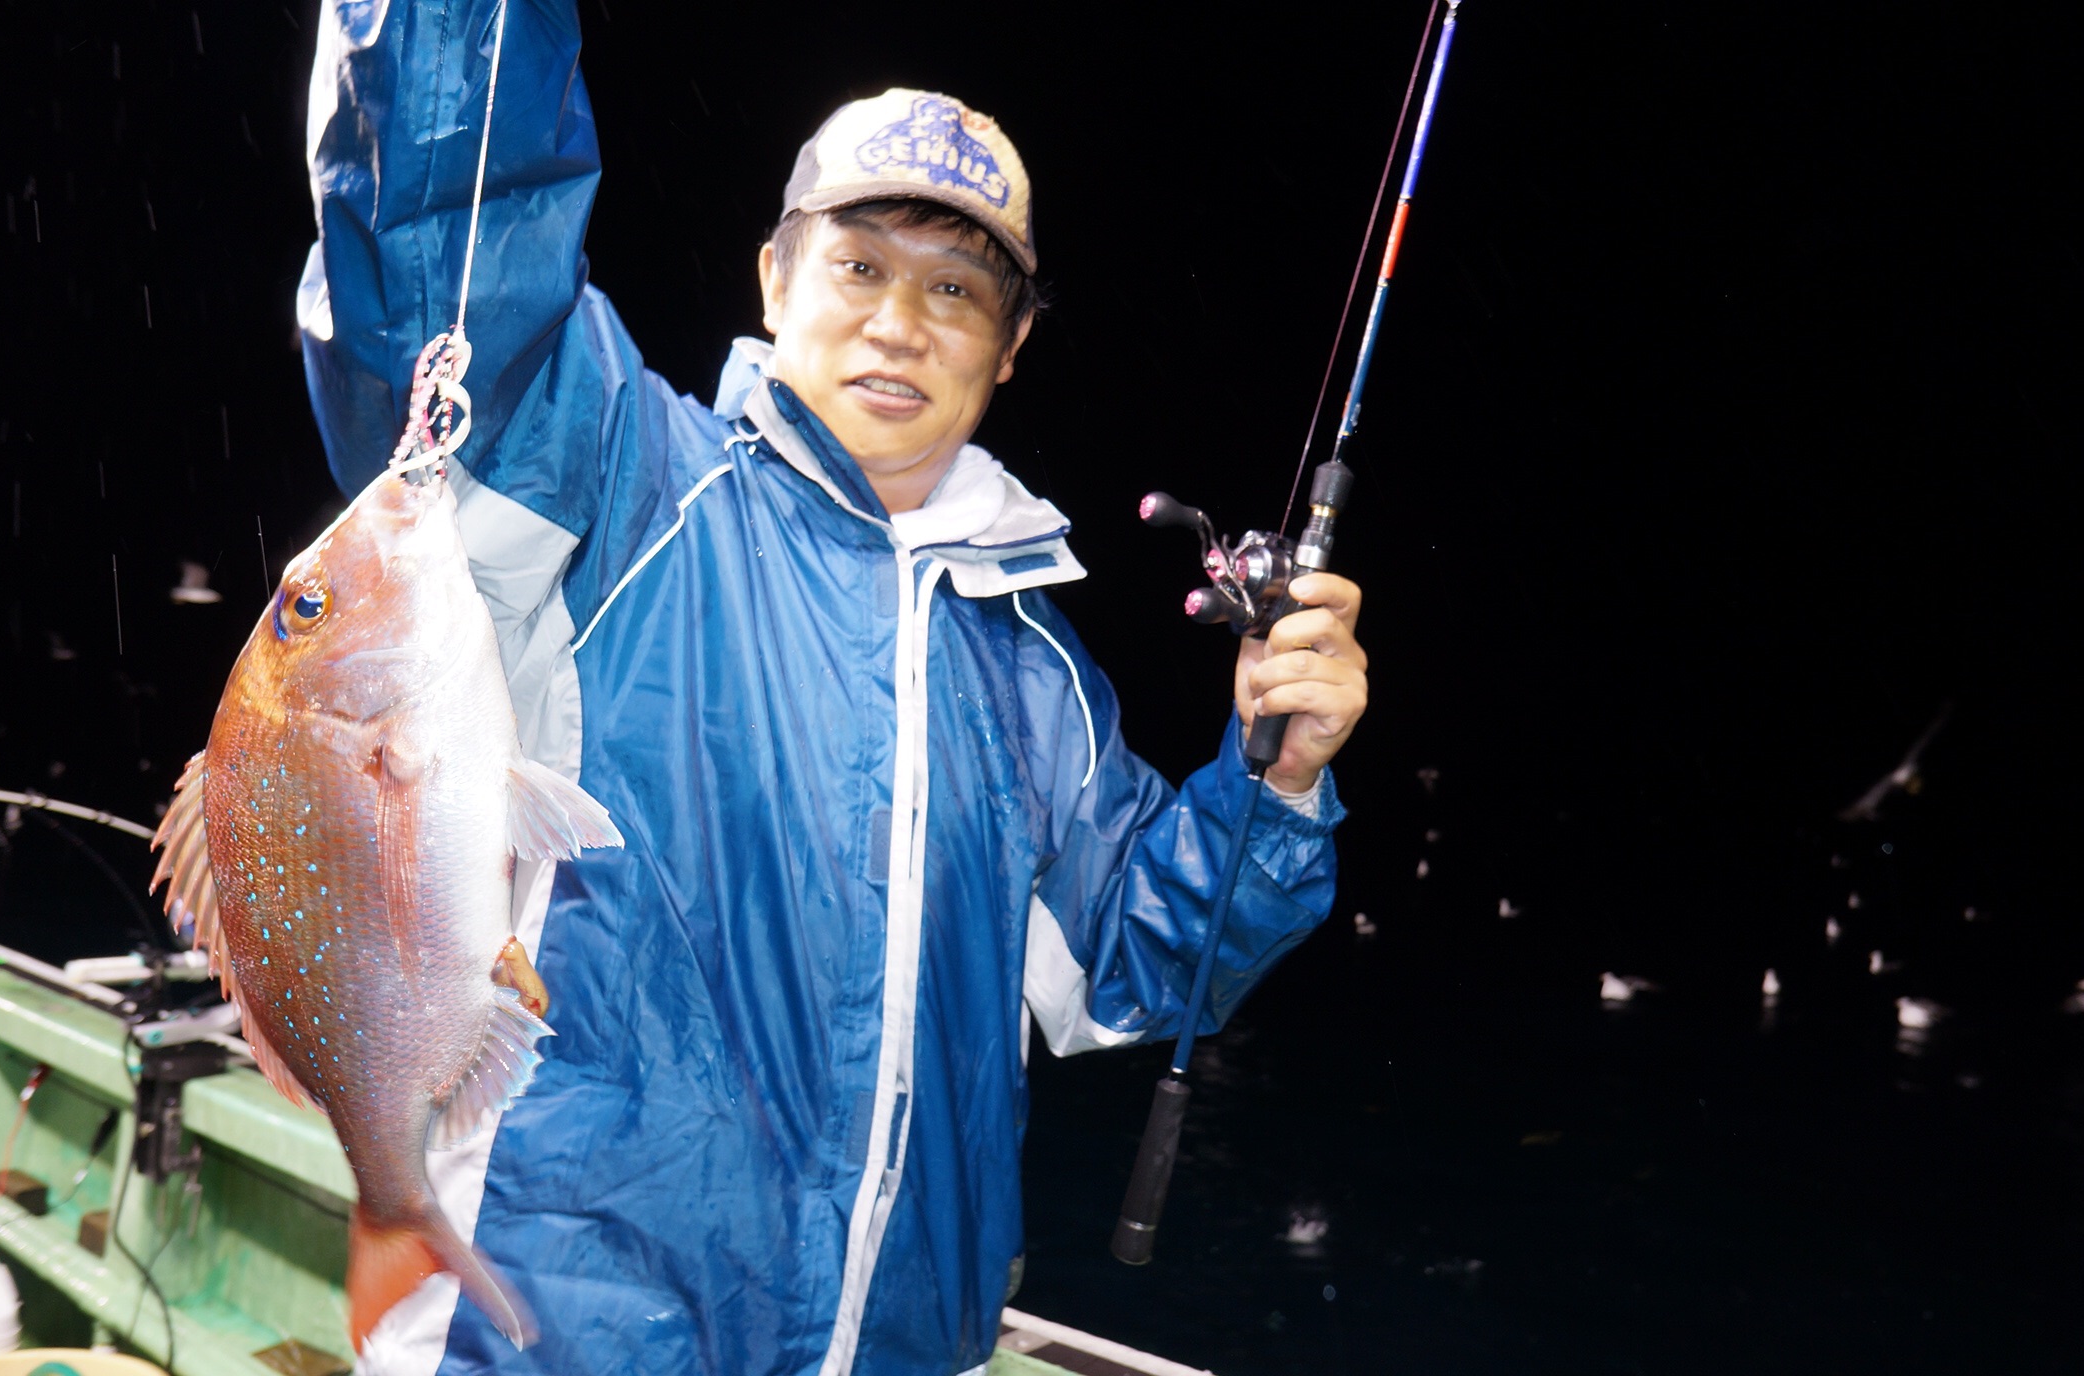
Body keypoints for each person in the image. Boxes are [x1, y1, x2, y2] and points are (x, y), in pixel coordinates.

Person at [297, 2, 1369, 1372]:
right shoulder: (620, 480)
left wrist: (1278, 780)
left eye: (956, 290)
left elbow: (1137, 964)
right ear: (773, 281)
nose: (901, 325)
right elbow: (444, 262)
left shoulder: (1030, 663)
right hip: (558, 1340)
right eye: (858, 266)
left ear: (1011, 346)